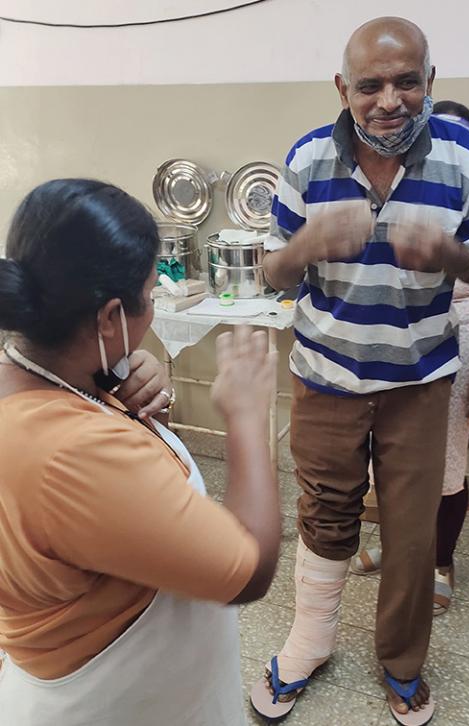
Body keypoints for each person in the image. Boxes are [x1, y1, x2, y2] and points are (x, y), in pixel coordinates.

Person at [250, 17, 469, 726]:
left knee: (411, 533)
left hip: (418, 381)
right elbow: (270, 273)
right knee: (325, 515)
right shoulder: (309, 157)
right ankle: (309, 642)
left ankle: (402, 665)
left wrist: (452, 257)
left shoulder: (465, 157)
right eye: (371, 85)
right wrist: (306, 247)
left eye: (407, 82)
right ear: (343, 87)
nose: (390, 101)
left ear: (430, 84)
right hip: (326, 376)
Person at [0, 178, 282, 726]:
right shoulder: (71, 453)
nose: (152, 307)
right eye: (151, 295)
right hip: (115, 702)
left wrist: (121, 382)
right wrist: (246, 415)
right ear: (108, 318)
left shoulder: (34, 378)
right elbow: (251, 572)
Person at [352, 102, 469, 617]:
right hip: (401, 338)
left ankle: (440, 561)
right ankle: (402, 549)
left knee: (443, 466)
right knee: (398, 463)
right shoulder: (409, 186)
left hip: (460, 344)